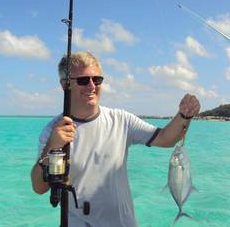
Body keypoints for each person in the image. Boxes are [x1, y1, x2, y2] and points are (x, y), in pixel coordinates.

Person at [31, 51, 200, 227]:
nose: (91, 86)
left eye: (97, 80)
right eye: (83, 80)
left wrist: (184, 116)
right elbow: (39, 187)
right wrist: (52, 147)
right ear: (65, 85)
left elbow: (165, 139)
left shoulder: (122, 120)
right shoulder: (53, 131)